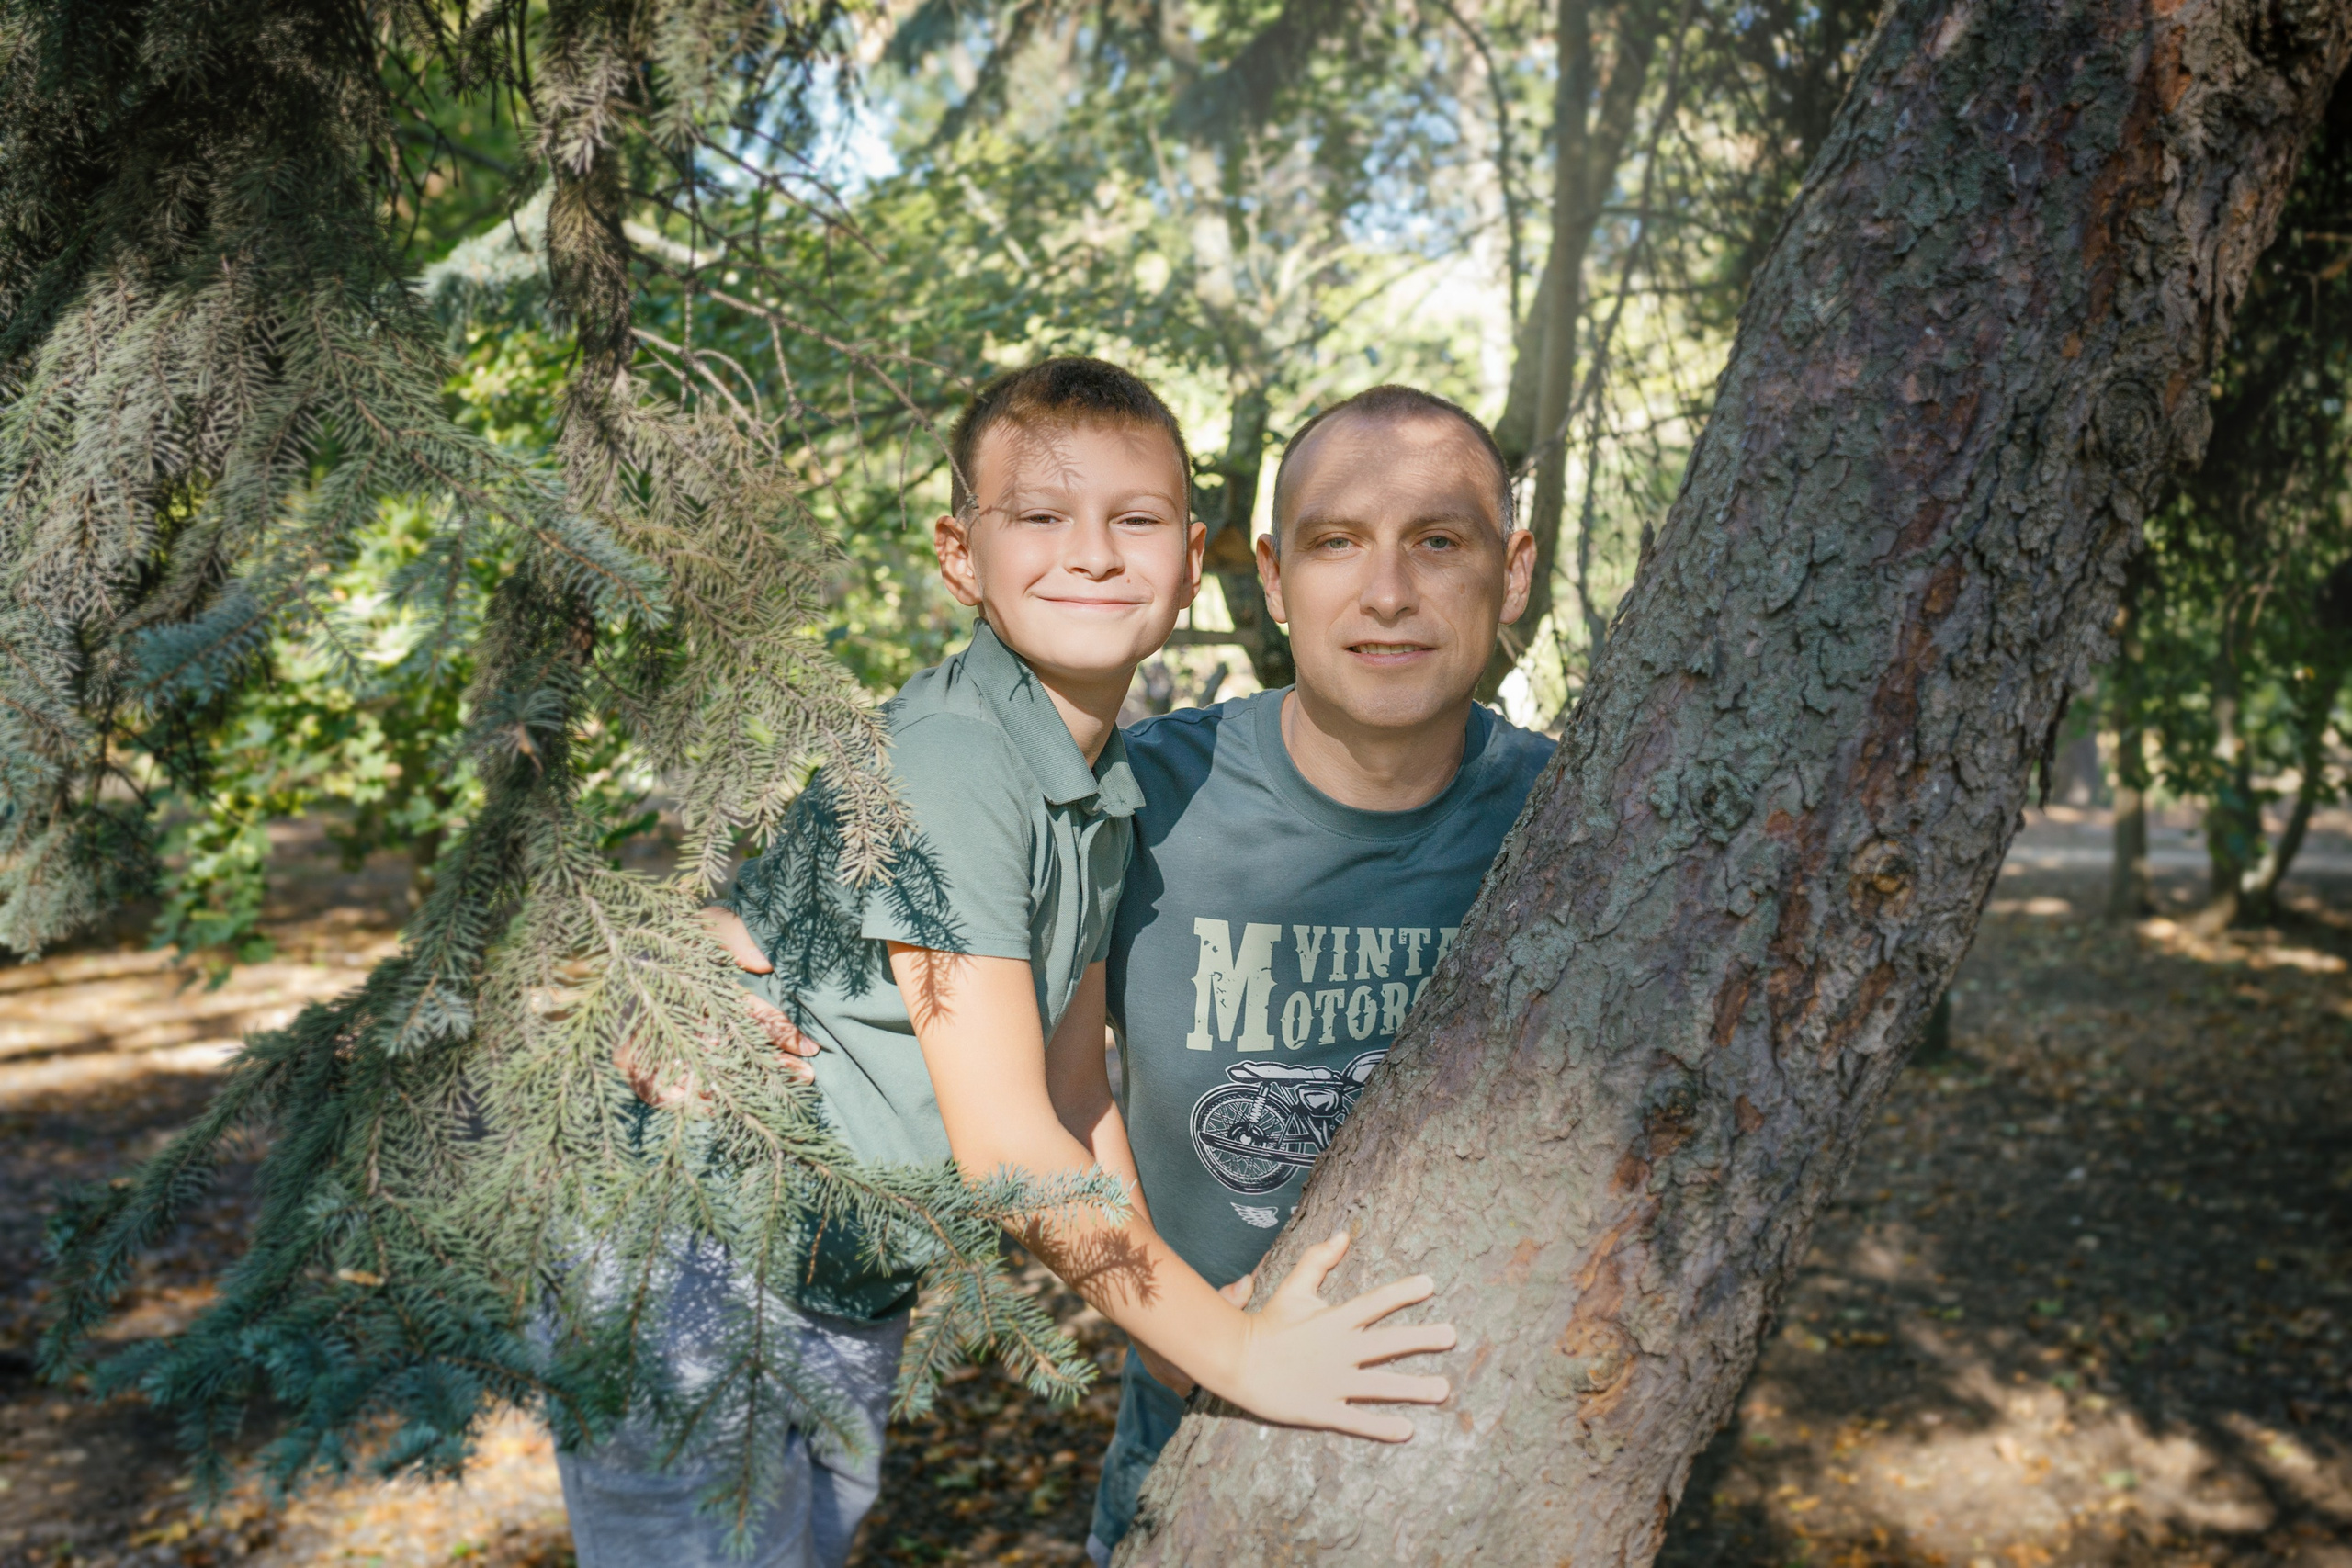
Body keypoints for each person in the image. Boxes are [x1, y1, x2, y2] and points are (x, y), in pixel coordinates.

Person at [603, 359, 1455, 1568]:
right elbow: (1007, 1143)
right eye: (1043, 517)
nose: (1095, 553)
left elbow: (1073, 1091)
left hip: (845, 1275)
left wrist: (1186, 1342)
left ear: (1194, 550)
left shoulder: (1102, 787)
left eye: (1136, 518)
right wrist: (1245, 1353)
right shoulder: (958, 755)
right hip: (699, 1258)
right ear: (960, 554)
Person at [1083, 384, 1553, 1563]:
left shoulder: (1583, 826)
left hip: (1498, 1456)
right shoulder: (1140, 797)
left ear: (1515, 570)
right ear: (1273, 577)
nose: (1387, 593)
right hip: (1196, 1438)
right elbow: (1024, 1083)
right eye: (1336, 543)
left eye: (1438, 543)